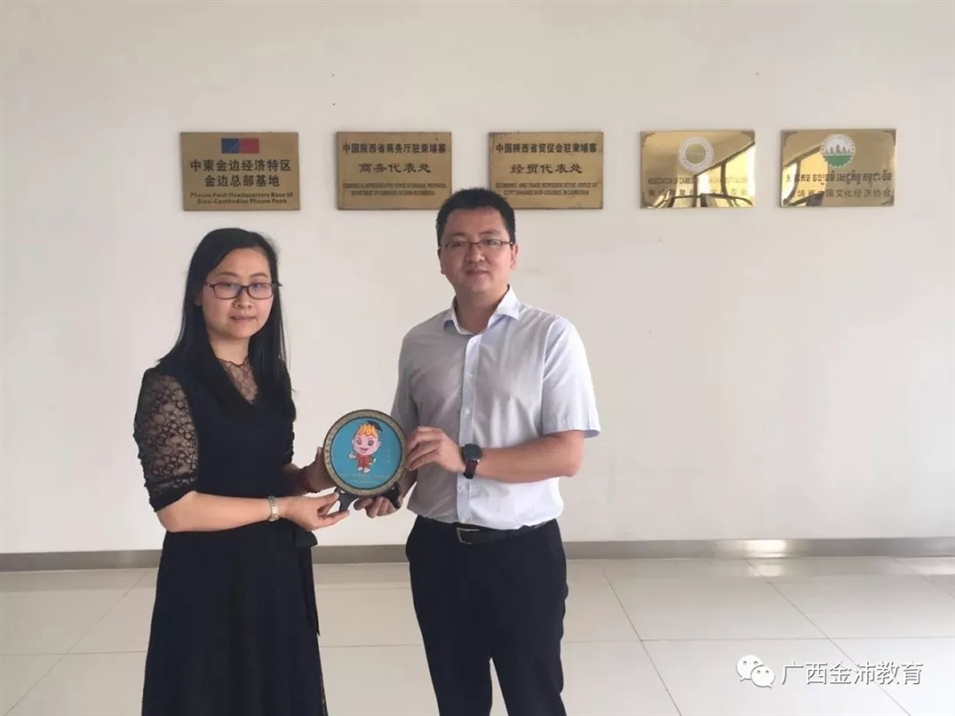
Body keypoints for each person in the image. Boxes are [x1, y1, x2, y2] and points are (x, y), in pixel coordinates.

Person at [358, 188, 601, 716]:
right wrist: (387, 487)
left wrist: (467, 458)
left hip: (522, 554)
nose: (475, 254)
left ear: (513, 252)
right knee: (457, 700)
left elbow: (566, 455)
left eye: (490, 240)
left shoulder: (551, 337)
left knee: (534, 698)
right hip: (437, 552)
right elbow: (409, 440)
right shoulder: (419, 342)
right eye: (458, 243)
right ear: (441, 258)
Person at [132, 228, 348, 716]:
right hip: (208, 580)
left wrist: (311, 478)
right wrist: (283, 508)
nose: (245, 299)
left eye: (259, 285)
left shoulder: (270, 375)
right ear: (198, 292)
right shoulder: (169, 384)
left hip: (275, 573)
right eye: (228, 284)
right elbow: (177, 511)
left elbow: (269, 471)